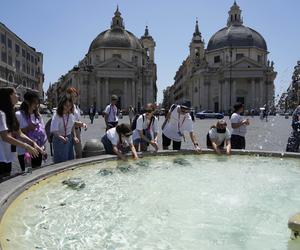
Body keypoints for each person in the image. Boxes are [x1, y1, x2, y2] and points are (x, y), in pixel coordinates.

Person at [0, 88, 41, 179]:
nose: (18, 96)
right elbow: (5, 137)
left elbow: (19, 133)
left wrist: (33, 143)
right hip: (2, 156)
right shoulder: (1, 113)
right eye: (15, 93)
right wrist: (26, 146)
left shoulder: (11, 112)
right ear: (9, 96)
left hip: (6, 156)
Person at [16, 91, 47, 171]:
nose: (36, 105)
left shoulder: (38, 115)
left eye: (37, 102)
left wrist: (43, 145)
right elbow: (15, 133)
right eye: (34, 102)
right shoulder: (18, 115)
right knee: (27, 175)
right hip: (24, 151)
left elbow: (43, 130)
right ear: (27, 102)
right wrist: (28, 128)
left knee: (38, 173)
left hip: (38, 149)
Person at [50, 96, 79, 163]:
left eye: (70, 105)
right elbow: (54, 130)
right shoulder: (57, 115)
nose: (68, 107)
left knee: (69, 159)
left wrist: (74, 136)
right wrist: (61, 137)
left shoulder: (71, 114)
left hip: (69, 138)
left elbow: (72, 126)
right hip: (59, 139)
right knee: (61, 161)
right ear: (62, 104)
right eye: (66, 105)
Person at [66, 87, 87, 158]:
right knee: (70, 151)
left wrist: (81, 124)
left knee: (78, 150)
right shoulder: (67, 106)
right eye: (72, 96)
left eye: (75, 96)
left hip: (77, 129)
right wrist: (81, 124)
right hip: (70, 130)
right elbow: (69, 120)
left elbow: (77, 118)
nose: (74, 98)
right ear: (68, 96)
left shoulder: (76, 106)